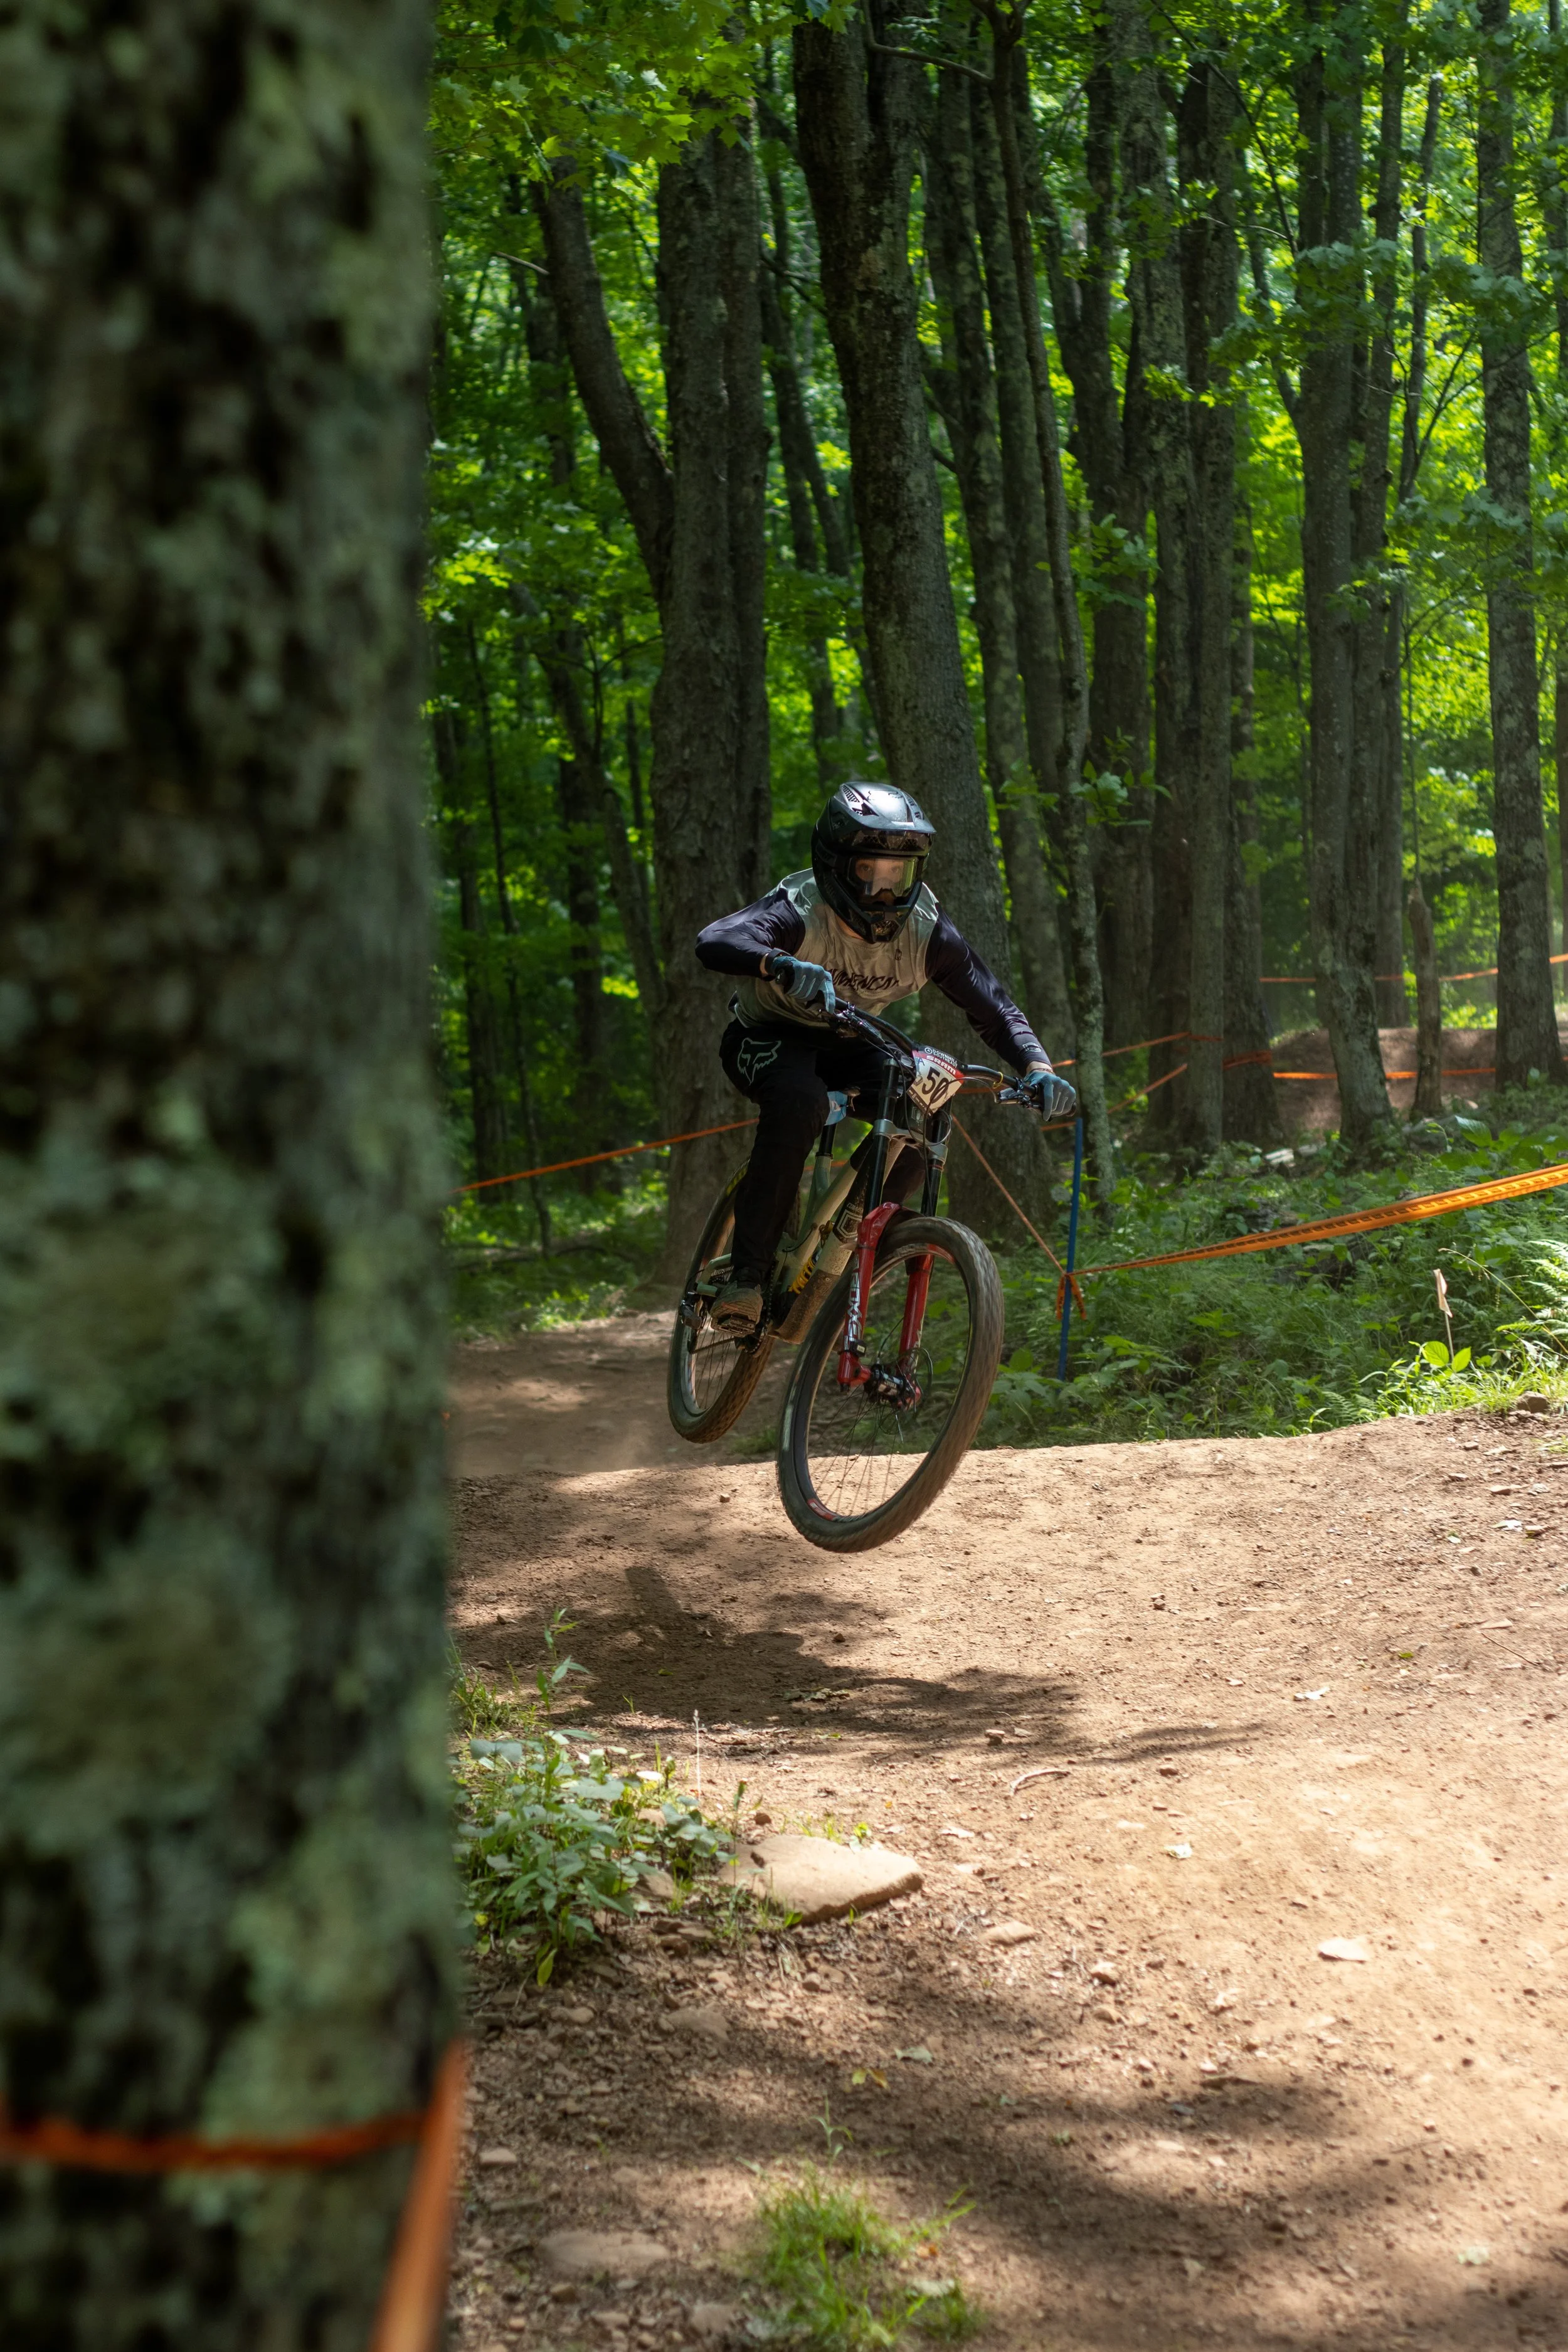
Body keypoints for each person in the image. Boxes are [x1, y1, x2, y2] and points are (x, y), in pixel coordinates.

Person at [695, 781, 1076, 1332]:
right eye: (868, 871)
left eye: (897, 874)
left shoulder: (927, 930)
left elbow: (992, 1006)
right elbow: (715, 940)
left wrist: (1038, 1066)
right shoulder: (802, 908)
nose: (882, 889)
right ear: (835, 863)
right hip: (767, 1036)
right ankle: (747, 1279)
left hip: (853, 1043)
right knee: (798, 1101)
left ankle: (852, 1247)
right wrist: (778, 964)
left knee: (925, 1108)